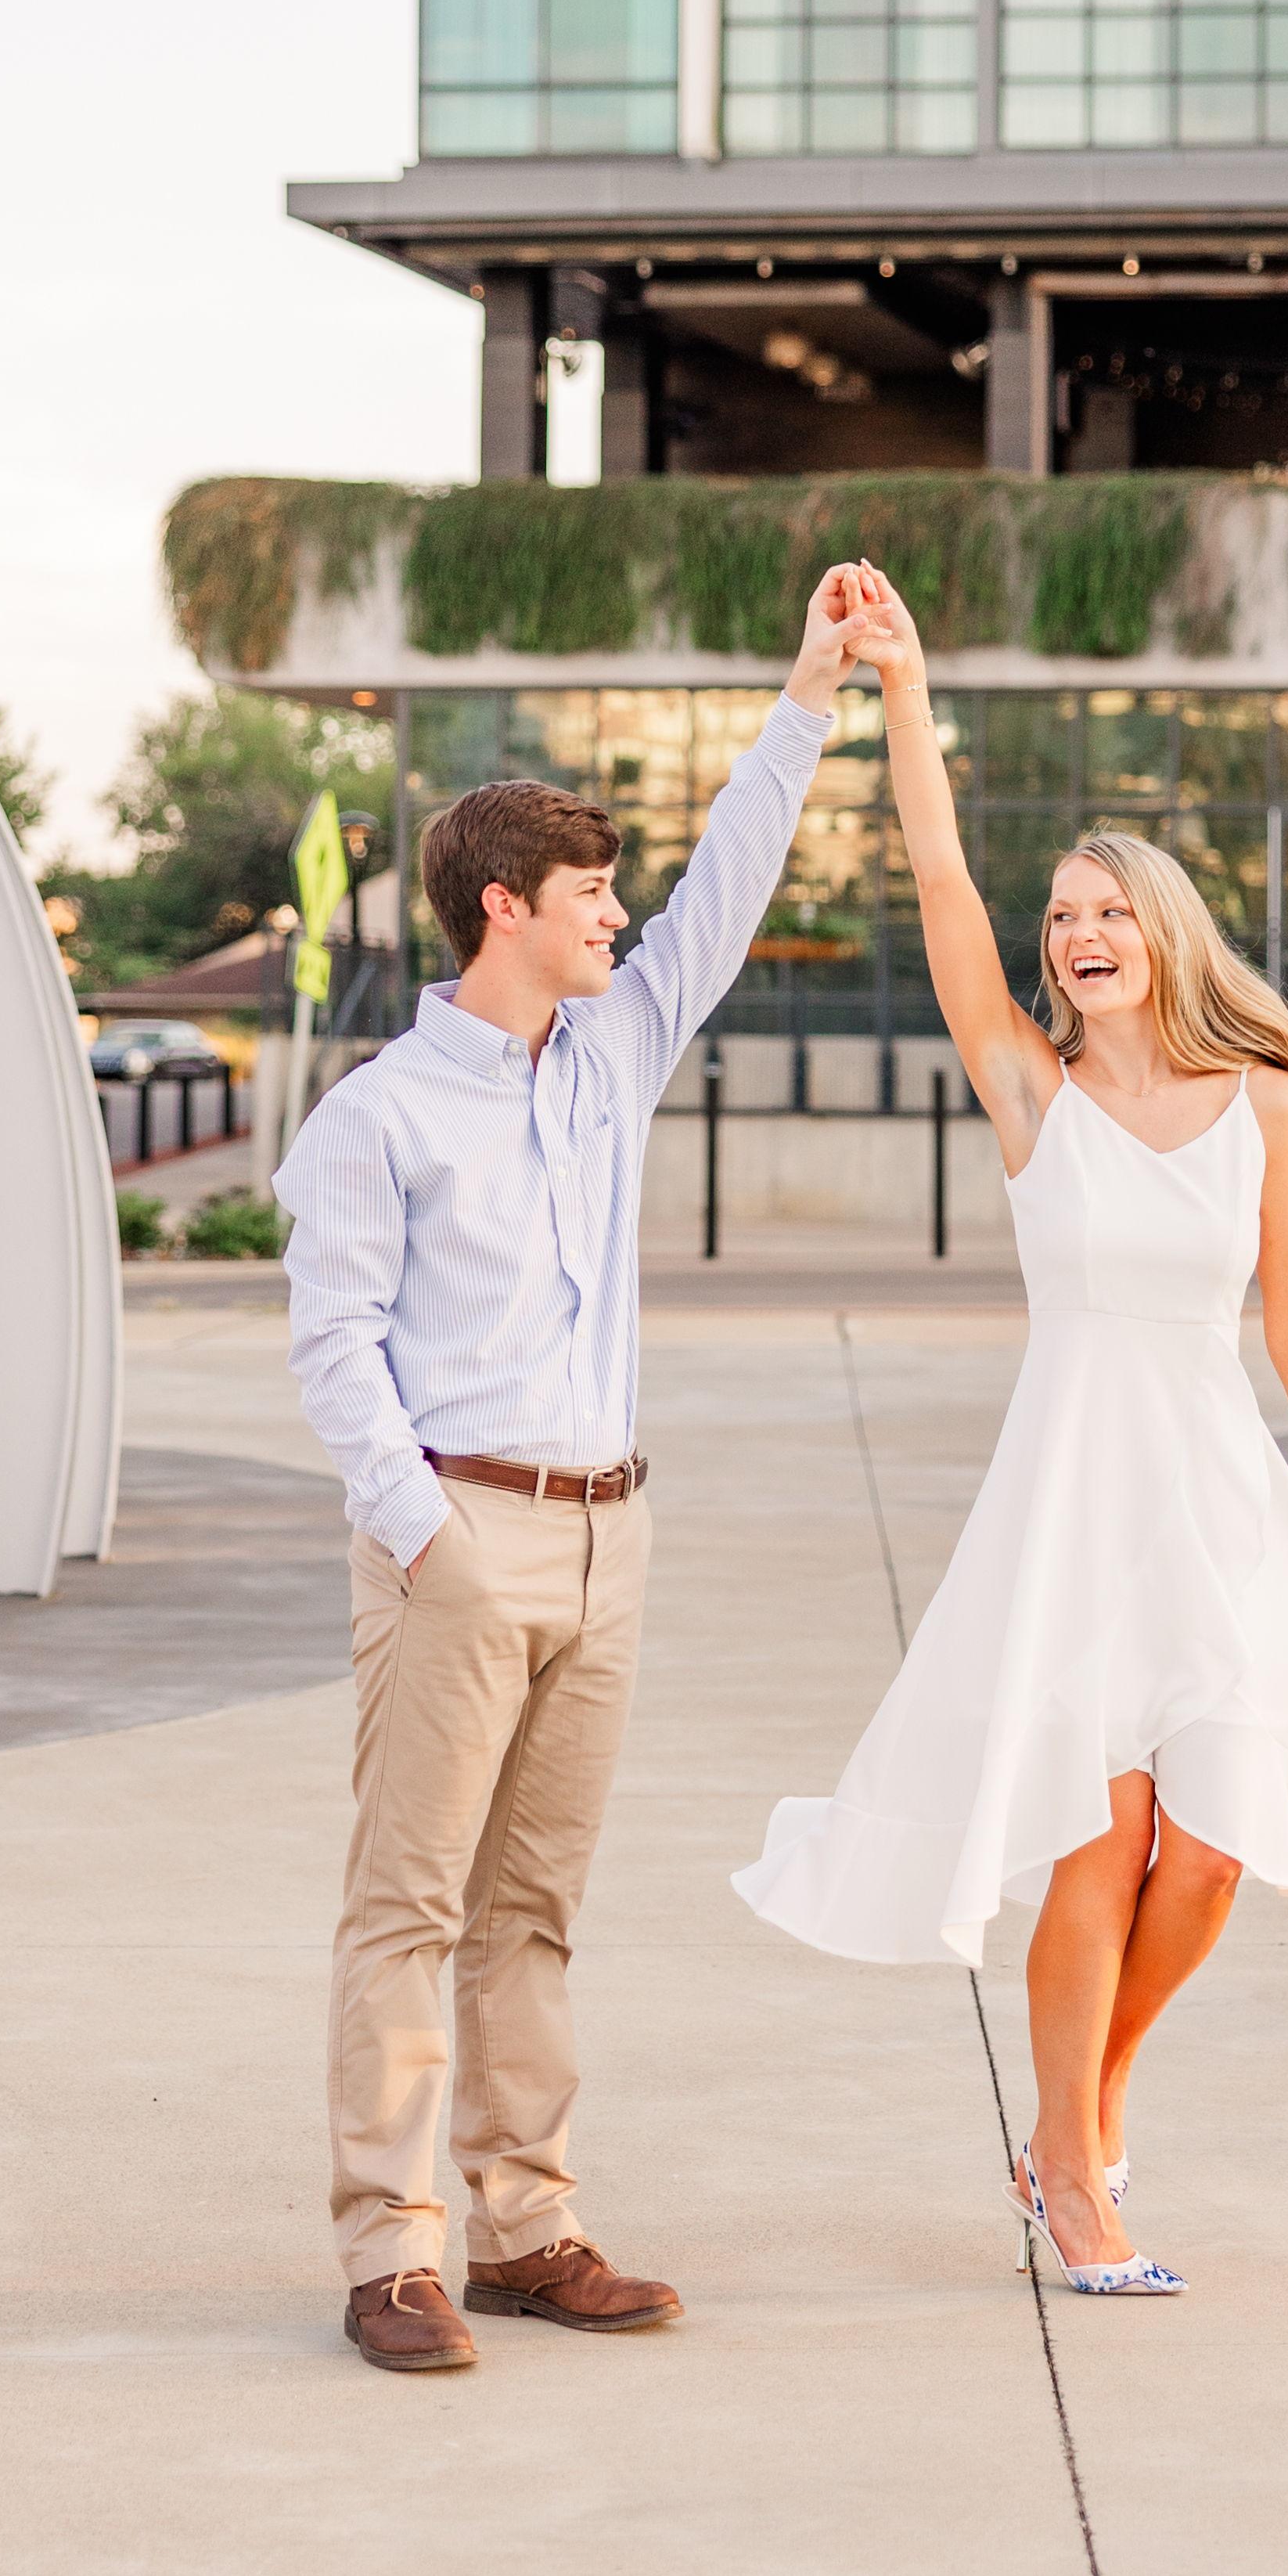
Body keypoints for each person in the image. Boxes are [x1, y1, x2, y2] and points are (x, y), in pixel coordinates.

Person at [734, 566, 1288, 2295]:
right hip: (1072, 1512)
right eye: (1062, 914)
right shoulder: (1030, 1092)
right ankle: (1073, 2173)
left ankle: (1094, 2098)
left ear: (1162, 933)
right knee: (1100, 1835)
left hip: (1213, 1511)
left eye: (1108, 912)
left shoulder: (1257, 1100)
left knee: (1207, 1853)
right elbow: (935, 875)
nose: (1078, 934)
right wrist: (902, 689)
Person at [279, 567, 869, 2373]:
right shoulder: (377, 1115)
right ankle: (390, 2254)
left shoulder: (610, 1051)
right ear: (503, 908)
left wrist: (807, 696)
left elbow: (729, 886)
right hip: (459, 1534)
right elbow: (333, 1348)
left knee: (532, 1909)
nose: (622, 915)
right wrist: (425, 1534)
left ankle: (525, 2227)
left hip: (610, 1537)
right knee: (410, 1903)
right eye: (591, 893)